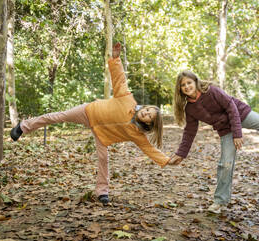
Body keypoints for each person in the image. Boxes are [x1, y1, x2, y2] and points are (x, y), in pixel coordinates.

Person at [10, 43, 171, 205]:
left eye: (150, 116)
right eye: (148, 109)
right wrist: (116, 59)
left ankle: (102, 192)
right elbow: (120, 80)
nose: (146, 112)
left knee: (103, 159)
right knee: (58, 116)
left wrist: (166, 160)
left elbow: (149, 149)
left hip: (103, 136)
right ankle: (23, 127)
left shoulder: (137, 134)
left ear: (150, 123)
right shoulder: (128, 100)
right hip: (89, 112)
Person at [169, 70, 259, 214]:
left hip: (241, 114)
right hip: (225, 129)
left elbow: (231, 107)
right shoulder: (190, 108)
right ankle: (220, 201)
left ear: (195, 82)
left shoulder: (212, 91)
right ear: (180, 89)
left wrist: (237, 133)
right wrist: (181, 154)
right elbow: (189, 132)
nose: (187, 86)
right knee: (225, 163)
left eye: (189, 82)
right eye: (183, 85)